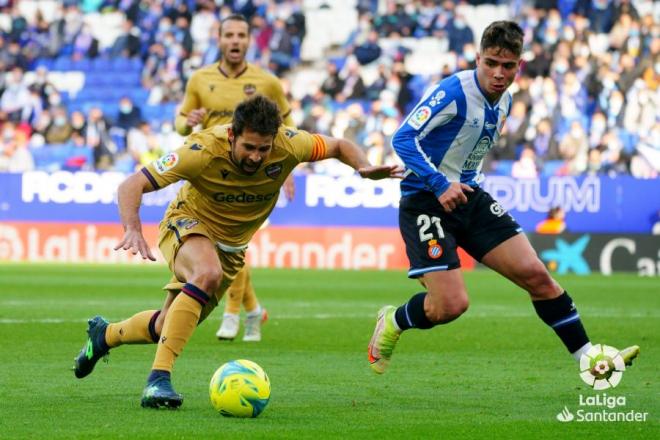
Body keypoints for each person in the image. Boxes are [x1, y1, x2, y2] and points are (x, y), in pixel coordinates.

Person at [73, 95, 402, 409]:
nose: (257, 157)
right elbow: (131, 184)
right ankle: (158, 379)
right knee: (206, 273)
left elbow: (339, 145)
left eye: (264, 148)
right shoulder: (200, 150)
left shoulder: (291, 143)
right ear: (232, 135)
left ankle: (105, 335)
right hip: (186, 223)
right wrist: (132, 227)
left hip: (231, 250)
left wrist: (363, 166)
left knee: (166, 326)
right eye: (248, 147)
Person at [367, 21, 639, 377]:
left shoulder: (505, 99)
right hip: (426, 200)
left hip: (469, 197)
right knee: (450, 306)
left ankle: (588, 360)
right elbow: (403, 138)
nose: (498, 73)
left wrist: (461, 183)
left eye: (507, 66)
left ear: (519, 65)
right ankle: (394, 319)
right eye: (491, 63)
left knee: (537, 276)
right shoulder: (453, 91)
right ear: (478, 58)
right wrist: (438, 183)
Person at [174, 13, 295, 343]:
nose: (235, 41)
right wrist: (189, 121)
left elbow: (286, 126)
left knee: (231, 246)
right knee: (225, 250)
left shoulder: (267, 82)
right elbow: (180, 121)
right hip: (210, 178)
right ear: (220, 38)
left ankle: (232, 314)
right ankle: (252, 310)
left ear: (249, 40)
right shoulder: (200, 79)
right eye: (229, 35)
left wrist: (286, 170)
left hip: (252, 179)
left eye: (242, 35)